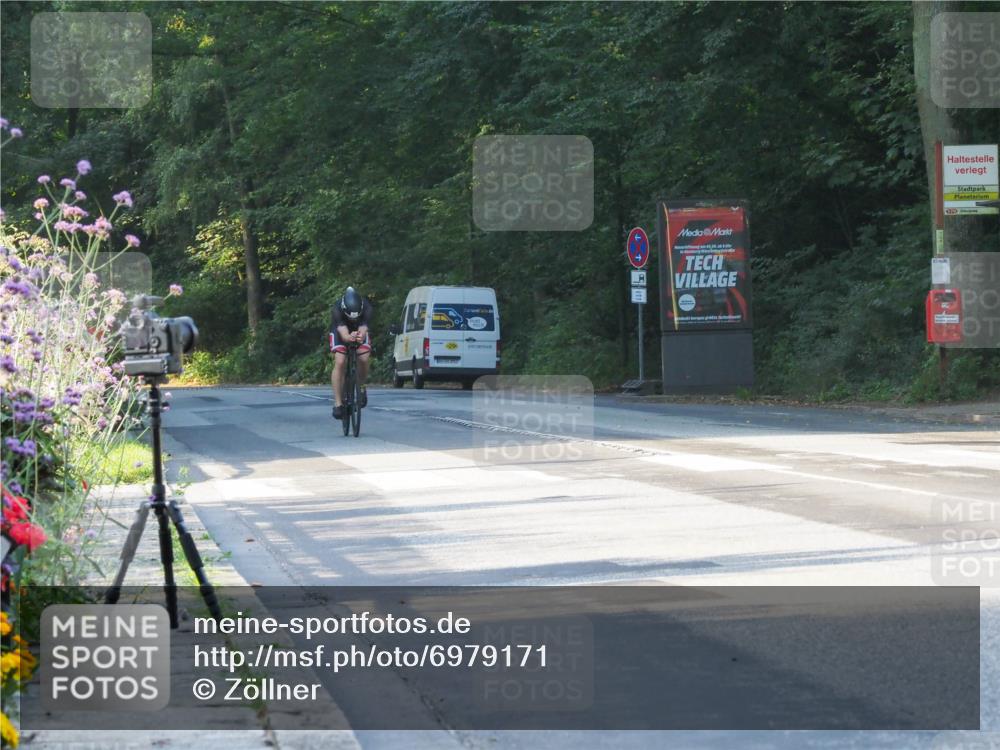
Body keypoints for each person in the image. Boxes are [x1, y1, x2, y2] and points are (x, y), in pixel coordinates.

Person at [329, 287, 372, 419]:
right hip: (341, 330)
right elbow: (343, 333)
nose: (353, 319)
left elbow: (364, 328)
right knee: (340, 361)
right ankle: (338, 403)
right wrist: (348, 338)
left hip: (359, 330)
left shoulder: (367, 308)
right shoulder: (337, 308)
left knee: (363, 358)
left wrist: (359, 336)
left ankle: (362, 386)